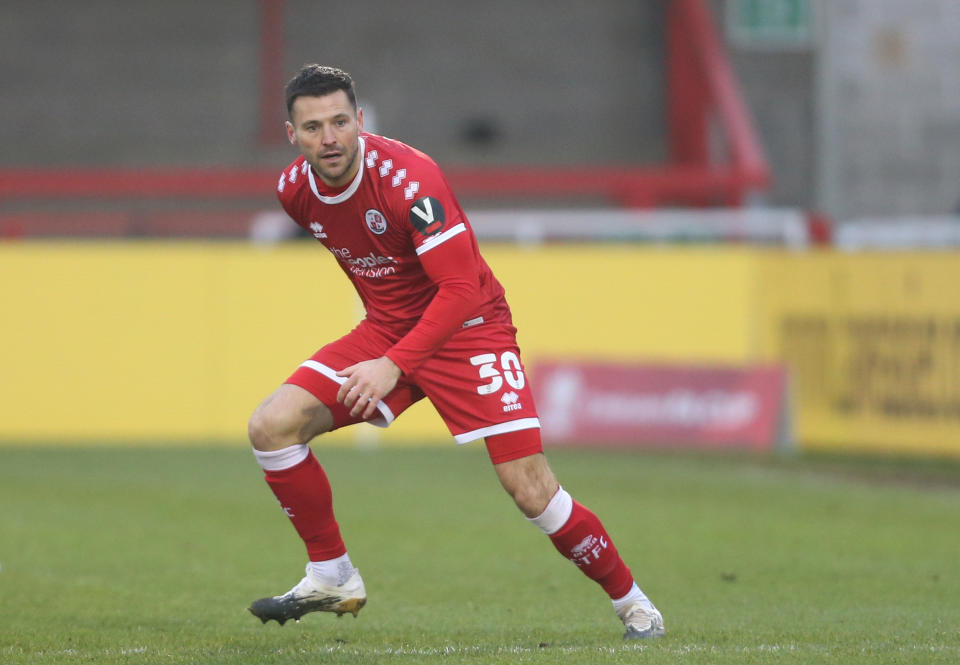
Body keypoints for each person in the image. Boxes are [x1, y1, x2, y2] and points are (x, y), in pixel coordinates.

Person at [246, 64, 665, 640]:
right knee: (271, 427)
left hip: (470, 327)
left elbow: (462, 287)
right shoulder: (295, 192)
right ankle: (332, 574)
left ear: (360, 120)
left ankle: (634, 603)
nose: (331, 138)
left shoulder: (410, 179)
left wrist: (393, 365)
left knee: (529, 489)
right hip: (390, 329)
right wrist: (389, 347)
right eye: (314, 127)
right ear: (292, 136)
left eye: (341, 121)